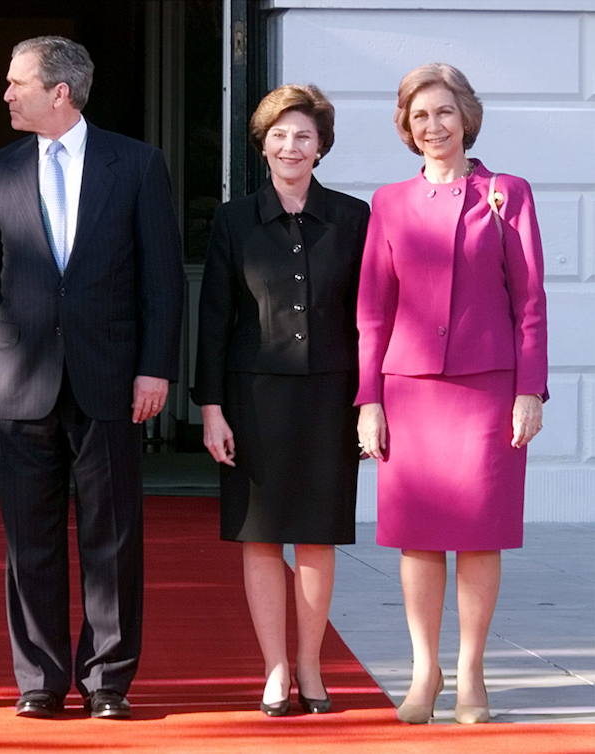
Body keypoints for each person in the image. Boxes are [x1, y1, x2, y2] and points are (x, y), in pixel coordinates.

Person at [0, 36, 183, 720]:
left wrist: (155, 368)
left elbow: (163, 280)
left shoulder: (137, 165)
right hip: (19, 382)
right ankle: (41, 679)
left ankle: (108, 679)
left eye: (16, 82)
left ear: (61, 91)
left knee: (112, 537)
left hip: (111, 380)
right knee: (30, 538)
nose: (5, 94)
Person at [355, 63, 547, 725]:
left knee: (480, 535)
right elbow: (372, 311)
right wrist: (369, 400)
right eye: (419, 117)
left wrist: (531, 391)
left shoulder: (508, 193)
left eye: (442, 112)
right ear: (406, 129)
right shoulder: (388, 203)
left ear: (465, 115)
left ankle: (470, 673)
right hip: (408, 389)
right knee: (417, 538)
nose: (432, 126)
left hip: (488, 388)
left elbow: (529, 302)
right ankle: (422, 671)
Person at [192, 84, 369, 717]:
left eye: (303, 135)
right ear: (262, 145)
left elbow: (369, 318)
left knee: (318, 536)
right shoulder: (235, 220)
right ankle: (273, 669)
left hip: (331, 397)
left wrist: (372, 401)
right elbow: (214, 318)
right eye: (279, 135)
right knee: (260, 537)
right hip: (251, 398)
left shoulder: (353, 219)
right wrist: (210, 407)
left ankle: (311, 666)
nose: (291, 146)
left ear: (321, 146)